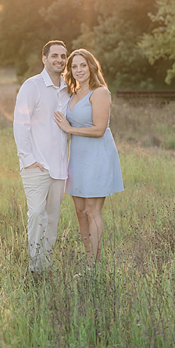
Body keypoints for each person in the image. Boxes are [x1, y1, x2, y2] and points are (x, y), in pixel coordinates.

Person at [54, 49, 123, 267]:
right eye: (74, 66)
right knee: (79, 210)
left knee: (92, 210)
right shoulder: (73, 94)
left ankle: (94, 265)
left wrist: (69, 129)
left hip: (97, 155)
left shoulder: (100, 92)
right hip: (77, 157)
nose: (79, 70)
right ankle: (88, 259)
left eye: (83, 65)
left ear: (91, 66)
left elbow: (99, 129)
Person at [13, 40, 70, 273]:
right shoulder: (32, 86)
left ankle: (46, 262)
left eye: (63, 56)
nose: (59, 60)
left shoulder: (68, 88)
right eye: (54, 55)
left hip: (59, 167)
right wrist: (28, 160)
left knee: (53, 218)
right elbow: (20, 124)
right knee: (37, 214)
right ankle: (34, 267)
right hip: (37, 165)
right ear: (44, 59)